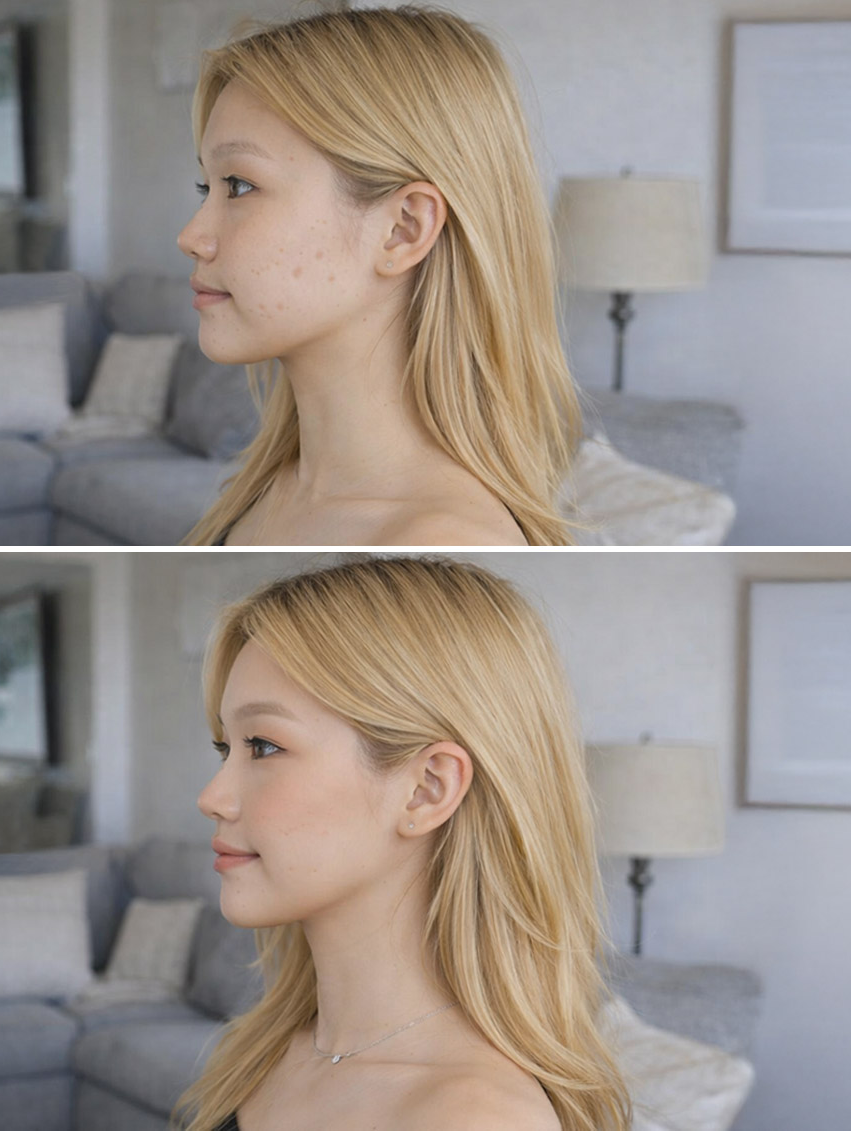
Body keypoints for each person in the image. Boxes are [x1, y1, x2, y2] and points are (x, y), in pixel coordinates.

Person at [175, 556, 631, 1131]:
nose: (213, 797)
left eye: (263, 746)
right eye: (226, 749)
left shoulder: (477, 1119)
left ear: (426, 790)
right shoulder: (263, 1051)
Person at [176, 5, 583, 547]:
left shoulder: (447, 540)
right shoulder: (266, 493)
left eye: (240, 185)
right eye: (208, 188)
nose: (191, 236)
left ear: (403, 229)